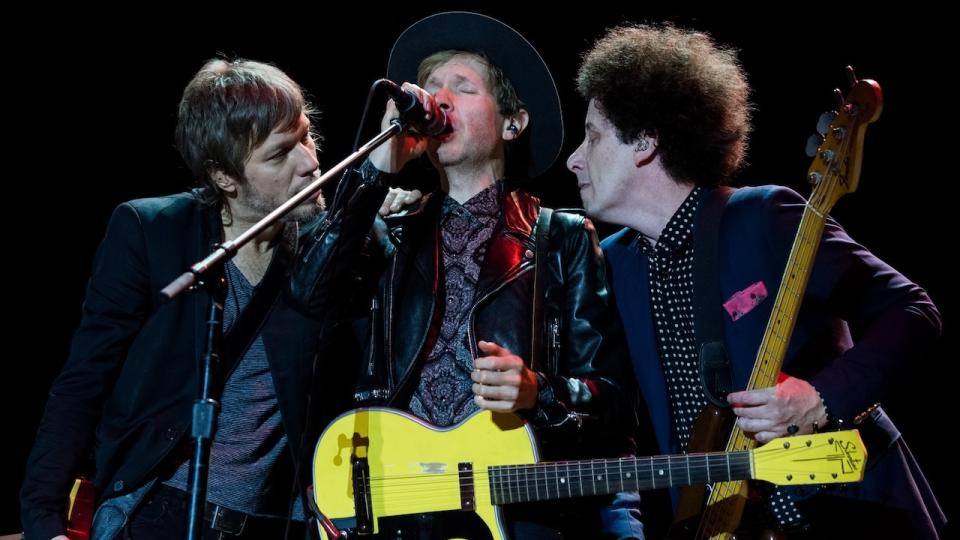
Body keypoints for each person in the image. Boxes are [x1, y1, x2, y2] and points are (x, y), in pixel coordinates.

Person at [565, 23, 946, 538]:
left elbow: (912, 311)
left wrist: (820, 396)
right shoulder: (610, 264)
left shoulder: (763, 216)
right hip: (721, 523)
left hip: (846, 507)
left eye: (592, 136)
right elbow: (615, 429)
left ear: (646, 142)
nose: (573, 158)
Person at [290, 11, 643, 539]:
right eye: (431, 87)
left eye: (463, 87)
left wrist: (537, 391)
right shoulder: (390, 229)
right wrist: (374, 174)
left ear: (511, 122)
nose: (440, 99)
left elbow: (613, 403)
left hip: (513, 511)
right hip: (398, 508)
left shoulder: (562, 237)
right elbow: (309, 295)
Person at [21, 58, 346, 540]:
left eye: (305, 135)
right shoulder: (153, 232)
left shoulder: (326, 244)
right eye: (280, 155)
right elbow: (83, 381)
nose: (309, 161)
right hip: (163, 510)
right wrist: (43, 520)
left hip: (282, 523)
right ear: (225, 177)